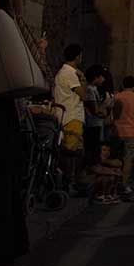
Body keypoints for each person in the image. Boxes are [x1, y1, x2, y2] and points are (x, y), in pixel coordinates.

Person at [53, 44, 86, 191]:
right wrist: (83, 79)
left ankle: (71, 181)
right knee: (71, 152)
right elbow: (83, 94)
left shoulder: (63, 71)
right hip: (72, 116)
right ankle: (69, 182)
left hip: (65, 115)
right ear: (78, 56)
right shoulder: (71, 73)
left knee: (75, 151)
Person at [112, 75, 134, 195]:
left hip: (117, 130)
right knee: (128, 159)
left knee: (116, 157)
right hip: (132, 131)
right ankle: (125, 184)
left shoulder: (116, 96)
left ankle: (114, 183)